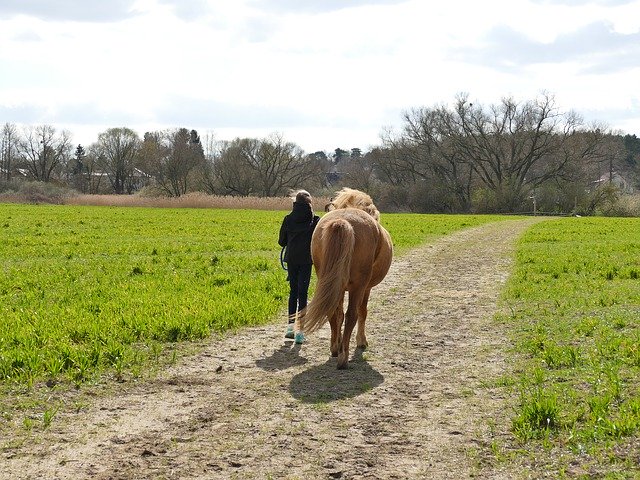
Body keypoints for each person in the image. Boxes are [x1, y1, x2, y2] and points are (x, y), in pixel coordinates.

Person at [278, 189, 320, 344]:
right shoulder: (315, 220)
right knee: (303, 293)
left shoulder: (288, 219)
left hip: (292, 259)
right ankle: (300, 332)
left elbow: (281, 241)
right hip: (306, 260)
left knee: (293, 292)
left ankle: (290, 327)